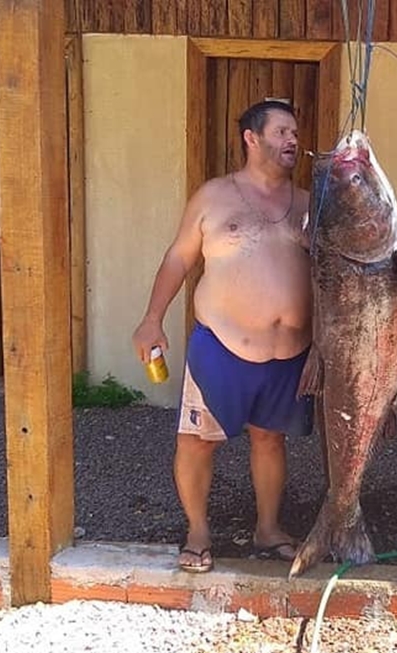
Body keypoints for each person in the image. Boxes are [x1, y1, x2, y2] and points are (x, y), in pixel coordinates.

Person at [131, 100, 314, 573]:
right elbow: (178, 259)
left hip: (288, 352)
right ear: (251, 139)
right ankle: (197, 531)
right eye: (280, 132)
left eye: (295, 132)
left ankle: (268, 529)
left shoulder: (310, 205)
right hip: (221, 347)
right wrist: (152, 318)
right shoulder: (214, 197)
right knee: (197, 441)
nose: (292, 140)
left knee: (270, 440)